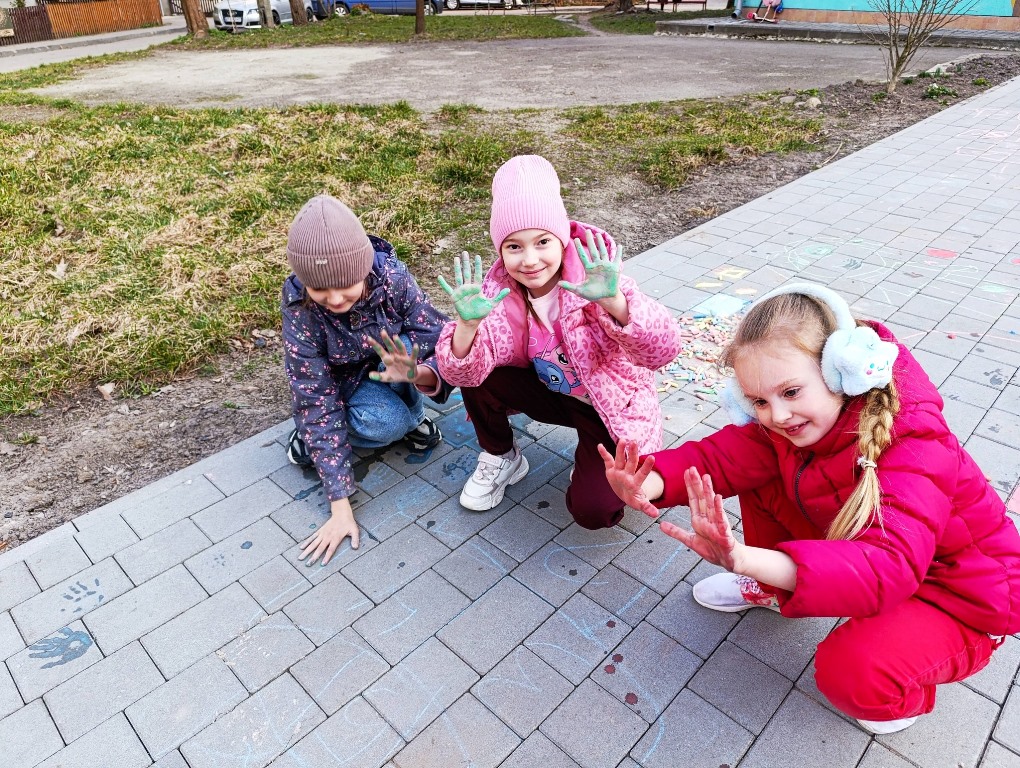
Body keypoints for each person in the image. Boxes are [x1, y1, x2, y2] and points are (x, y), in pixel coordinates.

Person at [602, 282, 1020, 734]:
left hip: (966, 593)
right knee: (758, 473)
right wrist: (648, 480)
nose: (777, 415)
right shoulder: (796, 423)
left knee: (852, 672)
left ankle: (905, 696)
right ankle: (771, 589)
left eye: (791, 391)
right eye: (759, 401)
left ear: (842, 371)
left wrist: (743, 557)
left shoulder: (916, 441)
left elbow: (889, 565)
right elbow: (720, 457)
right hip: (883, 552)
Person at [434, 155, 683, 529]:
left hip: (611, 409)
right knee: (479, 368)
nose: (530, 260)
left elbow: (664, 350)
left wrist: (615, 302)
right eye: (514, 246)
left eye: (542, 241)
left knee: (593, 511)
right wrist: (467, 327)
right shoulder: (501, 293)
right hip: (553, 393)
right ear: (500, 250)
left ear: (562, 238)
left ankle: (591, 459)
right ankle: (503, 457)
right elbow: (461, 374)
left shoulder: (596, 281)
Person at [282, 194, 452, 565]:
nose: (335, 298)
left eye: (346, 284)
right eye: (320, 290)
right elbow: (315, 395)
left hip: (389, 364)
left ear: (363, 268)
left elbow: (435, 333)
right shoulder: (300, 309)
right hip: (343, 384)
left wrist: (414, 365)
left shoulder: (392, 278)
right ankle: (311, 438)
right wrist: (340, 505)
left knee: (404, 394)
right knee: (390, 422)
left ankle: (403, 417)